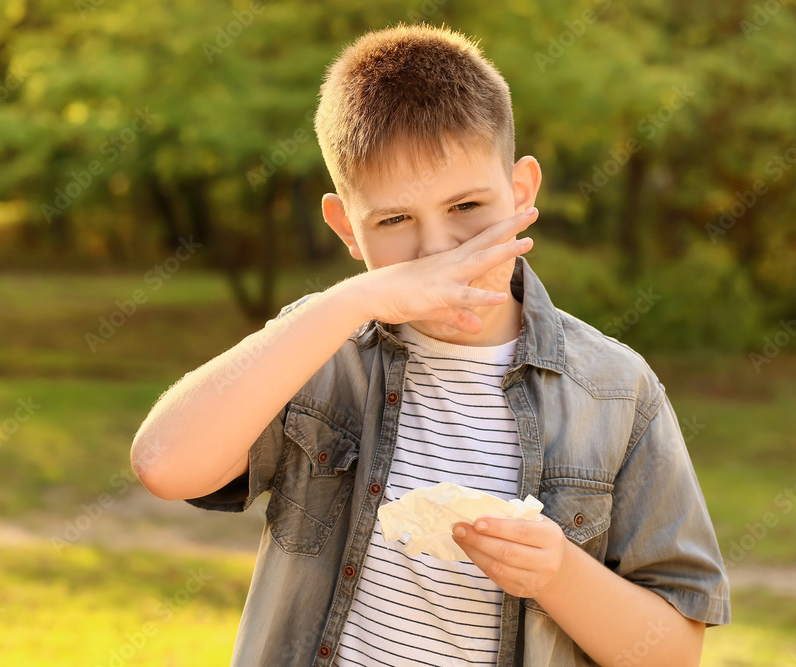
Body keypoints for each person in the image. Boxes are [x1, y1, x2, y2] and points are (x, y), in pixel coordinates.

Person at [130, 22, 730, 667]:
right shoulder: (325, 352)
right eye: (392, 221)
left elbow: (671, 653)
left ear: (522, 192)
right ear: (346, 229)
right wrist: (352, 300)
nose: (438, 250)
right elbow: (166, 464)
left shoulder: (616, 391)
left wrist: (559, 577)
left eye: (468, 205)